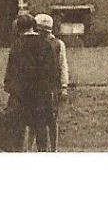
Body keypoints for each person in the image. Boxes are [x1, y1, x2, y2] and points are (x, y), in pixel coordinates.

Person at [2, 12, 58, 151]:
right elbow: (53, 70)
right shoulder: (45, 44)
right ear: (33, 27)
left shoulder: (17, 45)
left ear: (18, 29)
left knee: (19, 128)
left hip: (22, 95)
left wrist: (10, 88)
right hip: (41, 94)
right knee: (41, 127)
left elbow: (11, 72)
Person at [35, 13, 70, 150]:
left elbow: (63, 66)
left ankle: (54, 149)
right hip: (39, 87)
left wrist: (64, 86)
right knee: (38, 120)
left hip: (52, 87)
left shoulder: (58, 44)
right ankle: (36, 148)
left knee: (52, 119)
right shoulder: (37, 44)